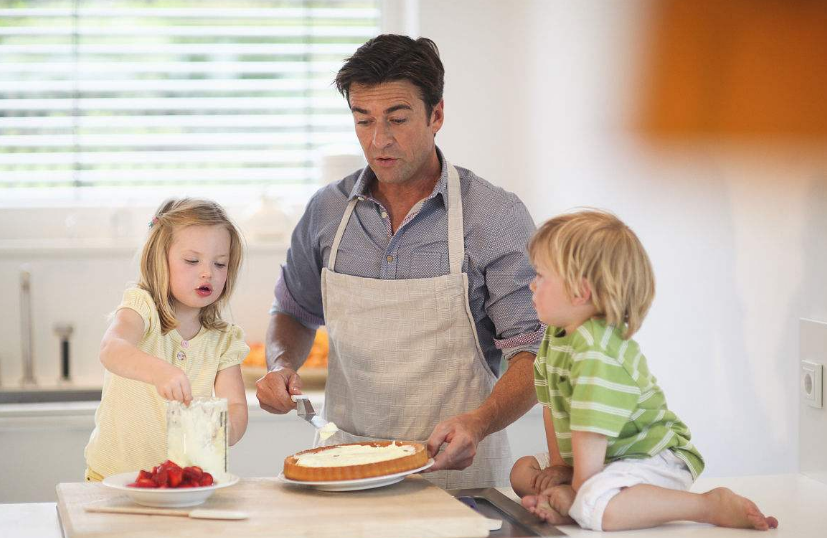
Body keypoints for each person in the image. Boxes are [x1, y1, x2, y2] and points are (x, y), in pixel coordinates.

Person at [255, 34, 543, 489]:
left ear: (437, 115)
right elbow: (292, 312)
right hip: (343, 468)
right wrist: (279, 365)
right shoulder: (327, 212)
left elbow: (532, 352)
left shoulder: (494, 215)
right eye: (362, 120)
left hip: (458, 476)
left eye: (398, 119)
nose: (378, 140)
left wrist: (481, 422)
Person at [514, 209, 778, 531]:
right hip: (601, 458)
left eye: (540, 275)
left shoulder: (596, 353)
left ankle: (709, 505)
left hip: (652, 456)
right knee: (522, 471)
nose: (531, 285)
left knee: (592, 503)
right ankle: (583, 497)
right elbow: (551, 408)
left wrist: (578, 494)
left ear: (579, 291)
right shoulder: (556, 337)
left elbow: (591, 430)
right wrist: (559, 467)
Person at [83, 198, 250, 481]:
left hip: (183, 486)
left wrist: (224, 429)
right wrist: (160, 372)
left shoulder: (224, 339)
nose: (208, 271)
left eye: (220, 264)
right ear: (160, 260)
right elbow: (112, 349)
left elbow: (234, 405)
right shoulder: (141, 309)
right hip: (111, 480)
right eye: (192, 261)